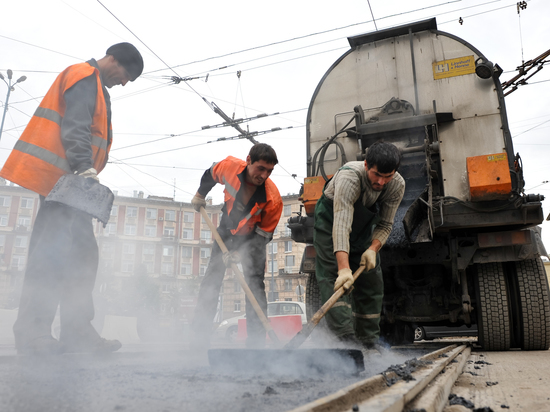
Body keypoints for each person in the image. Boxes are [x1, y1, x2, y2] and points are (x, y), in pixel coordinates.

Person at [0, 43, 144, 355]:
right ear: (114, 60)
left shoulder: (96, 85)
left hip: (73, 186)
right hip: (62, 181)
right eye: (126, 75)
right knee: (50, 254)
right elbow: (75, 126)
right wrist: (84, 169)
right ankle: (33, 332)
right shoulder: (84, 75)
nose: (124, 83)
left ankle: (77, 331)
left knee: (83, 255)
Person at [313, 141, 405, 352]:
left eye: (387, 176)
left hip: (363, 229)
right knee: (333, 277)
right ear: (366, 165)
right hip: (330, 224)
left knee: (372, 280)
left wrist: (373, 249)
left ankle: (368, 340)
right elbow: (341, 224)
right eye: (376, 175)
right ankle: (345, 339)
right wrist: (344, 269)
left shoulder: (397, 184)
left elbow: (385, 224)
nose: (381, 182)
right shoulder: (349, 178)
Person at [190, 143, 283, 349]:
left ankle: (256, 343)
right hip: (226, 230)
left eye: (269, 171)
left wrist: (241, 255)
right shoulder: (230, 166)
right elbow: (210, 174)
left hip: (252, 239)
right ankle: (199, 337)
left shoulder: (273, 199)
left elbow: (262, 238)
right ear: (248, 160)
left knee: (255, 285)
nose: (264, 175)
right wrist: (200, 195)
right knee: (211, 281)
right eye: (260, 168)